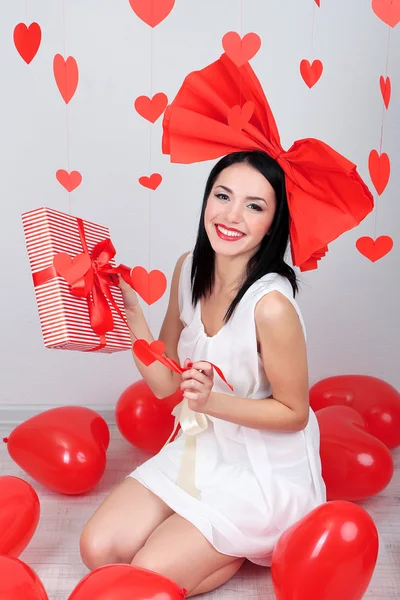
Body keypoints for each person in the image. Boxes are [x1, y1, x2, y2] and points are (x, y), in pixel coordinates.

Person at [80, 53, 374, 596]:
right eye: (222, 196)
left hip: (261, 470)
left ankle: (233, 545)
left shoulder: (271, 308)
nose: (231, 216)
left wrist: (212, 401)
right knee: (98, 549)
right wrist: (131, 317)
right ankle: (206, 539)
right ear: (206, 200)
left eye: (254, 206)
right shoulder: (187, 270)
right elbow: (167, 382)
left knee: (144, 572)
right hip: (203, 449)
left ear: (273, 223)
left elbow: (293, 413)